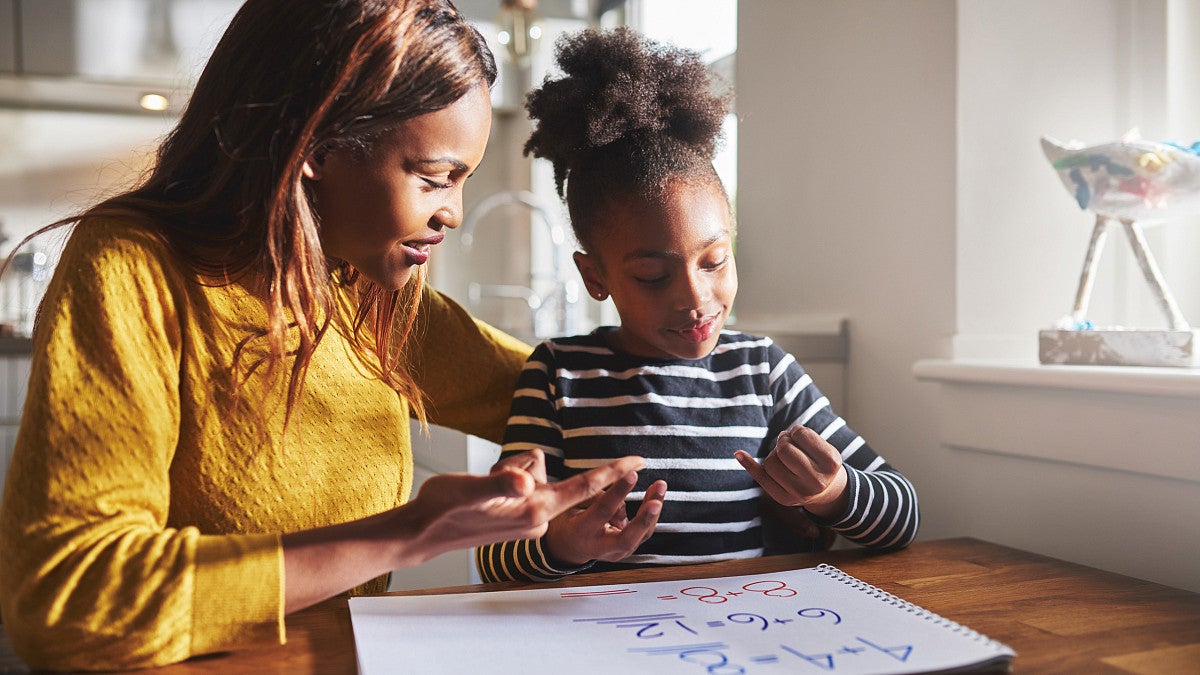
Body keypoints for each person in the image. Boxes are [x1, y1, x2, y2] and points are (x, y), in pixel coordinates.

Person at [0, 1, 648, 670]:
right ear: (318, 145)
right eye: (433, 179)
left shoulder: (368, 288)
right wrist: (410, 531)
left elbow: (573, 397)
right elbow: (67, 599)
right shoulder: (133, 267)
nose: (452, 213)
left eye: (462, 181)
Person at [476, 28, 920, 584]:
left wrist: (834, 493)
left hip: (741, 627)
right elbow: (492, 553)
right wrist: (562, 545)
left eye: (714, 261)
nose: (694, 298)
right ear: (595, 277)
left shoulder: (761, 370)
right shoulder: (557, 373)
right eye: (652, 276)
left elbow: (903, 515)